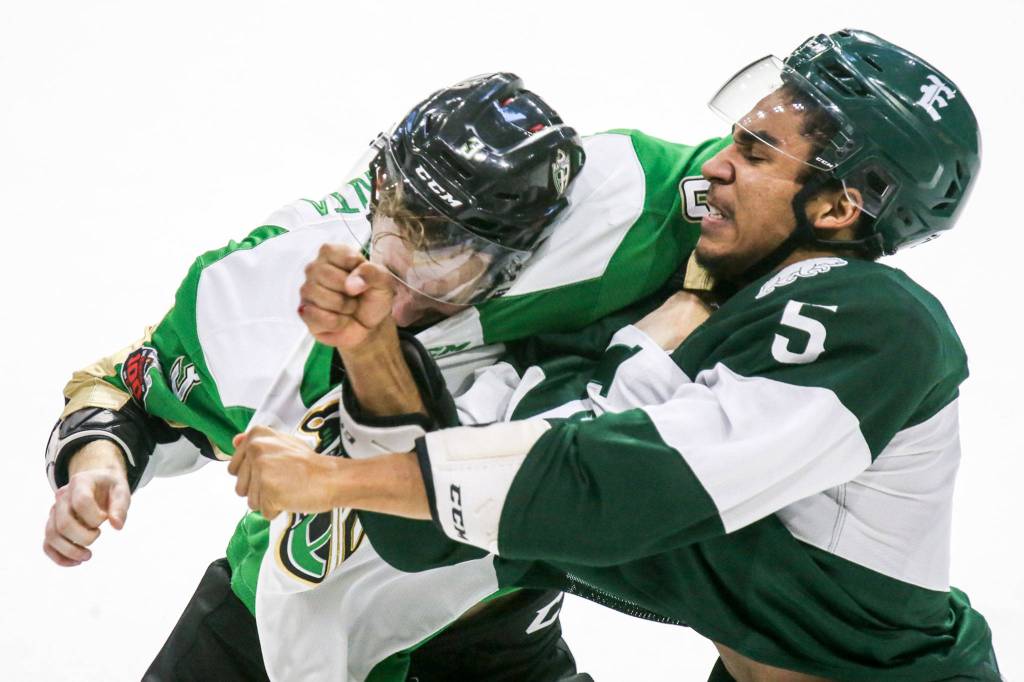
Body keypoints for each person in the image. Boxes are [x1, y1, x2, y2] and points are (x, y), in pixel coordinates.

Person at [231, 30, 1001, 680]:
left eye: (757, 152)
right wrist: (371, 349)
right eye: (734, 137)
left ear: (837, 208)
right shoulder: (659, 325)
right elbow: (429, 525)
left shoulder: (875, 321)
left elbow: (623, 487)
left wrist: (337, 477)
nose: (717, 167)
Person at [43, 72, 727, 681]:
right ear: (378, 189)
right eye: (398, 235)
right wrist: (97, 463)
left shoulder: (617, 208)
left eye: (449, 269)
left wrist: (701, 293)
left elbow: (772, 177)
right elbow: (126, 388)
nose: (401, 296)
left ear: (523, 251)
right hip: (288, 611)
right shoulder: (261, 286)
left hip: (490, 610)